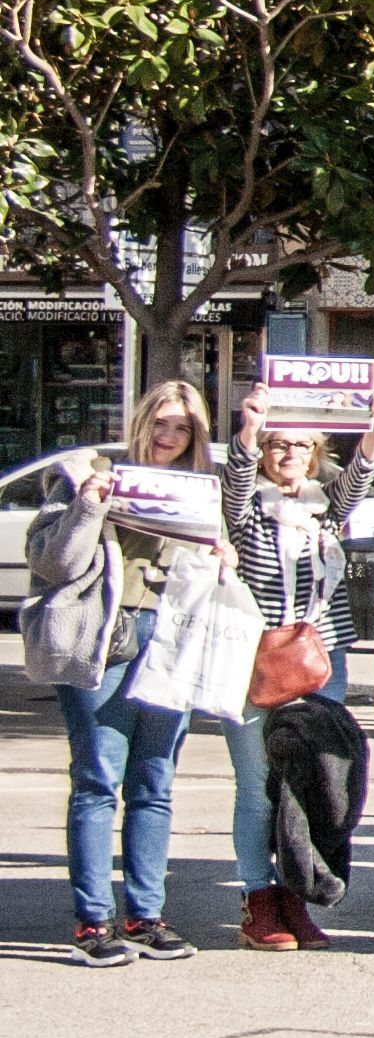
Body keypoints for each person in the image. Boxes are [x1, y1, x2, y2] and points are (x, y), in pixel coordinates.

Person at [30, 385, 225, 962]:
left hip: (171, 639)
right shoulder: (85, 474)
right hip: (104, 637)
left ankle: (145, 915)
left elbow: (217, 553)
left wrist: (223, 555)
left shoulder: (199, 491)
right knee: (97, 777)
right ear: (142, 422)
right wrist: (89, 504)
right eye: (162, 423)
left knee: (155, 782)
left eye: (184, 429)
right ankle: (93, 922)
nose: (170, 436)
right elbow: (54, 564)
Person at [221, 393, 374, 949]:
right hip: (254, 659)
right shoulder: (246, 513)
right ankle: (257, 899)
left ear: (315, 454)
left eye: (300, 444)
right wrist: (249, 429)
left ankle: (296, 896)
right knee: (256, 788)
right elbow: (237, 483)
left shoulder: (323, 510)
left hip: (319, 660)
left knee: (305, 785)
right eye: (277, 444)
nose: (288, 452)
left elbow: (358, 480)